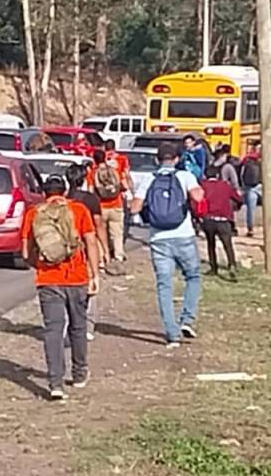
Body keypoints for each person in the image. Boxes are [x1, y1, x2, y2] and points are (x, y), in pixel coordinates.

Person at [21, 175, 100, 401]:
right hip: (77, 277)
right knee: (78, 326)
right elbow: (91, 242)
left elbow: (26, 253)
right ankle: (79, 373)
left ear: (45, 193)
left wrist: (40, 264)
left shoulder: (34, 213)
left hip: (48, 279)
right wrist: (94, 273)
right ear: (64, 192)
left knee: (53, 331)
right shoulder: (79, 210)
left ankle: (55, 382)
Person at [131, 142, 205, 346]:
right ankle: (187, 319)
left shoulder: (149, 179)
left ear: (157, 159)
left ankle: (172, 333)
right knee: (193, 276)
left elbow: (135, 208)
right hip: (184, 235)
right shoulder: (184, 176)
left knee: (164, 284)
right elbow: (198, 196)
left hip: (158, 239)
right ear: (177, 159)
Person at [66, 163, 106, 340]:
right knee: (91, 286)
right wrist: (105, 249)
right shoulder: (90, 199)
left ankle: (71, 324)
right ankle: (88, 326)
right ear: (84, 178)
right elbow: (98, 225)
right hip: (87, 244)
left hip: (66, 247)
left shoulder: (63, 197)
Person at [87, 147, 130, 268]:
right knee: (117, 233)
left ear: (94, 160)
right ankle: (119, 256)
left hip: (101, 207)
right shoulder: (113, 170)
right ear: (105, 158)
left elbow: (90, 191)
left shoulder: (92, 173)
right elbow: (124, 186)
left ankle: (102, 258)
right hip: (116, 205)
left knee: (100, 234)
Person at [201, 165, 242, 279]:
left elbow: (196, 202)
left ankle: (213, 267)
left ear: (205, 175)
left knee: (211, 244)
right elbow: (238, 198)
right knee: (227, 244)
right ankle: (232, 264)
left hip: (209, 219)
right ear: (218, 175)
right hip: (223, 220)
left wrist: (199, 217)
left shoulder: (203, 186)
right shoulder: (225, 186)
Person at [240, 142, 261, 236]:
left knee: (251, 209)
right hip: (252, 187)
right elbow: (241, 173)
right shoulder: (248, 159)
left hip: (256, 186)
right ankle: (250, 229)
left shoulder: (247, 159)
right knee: (251, 210)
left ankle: (251, 228)